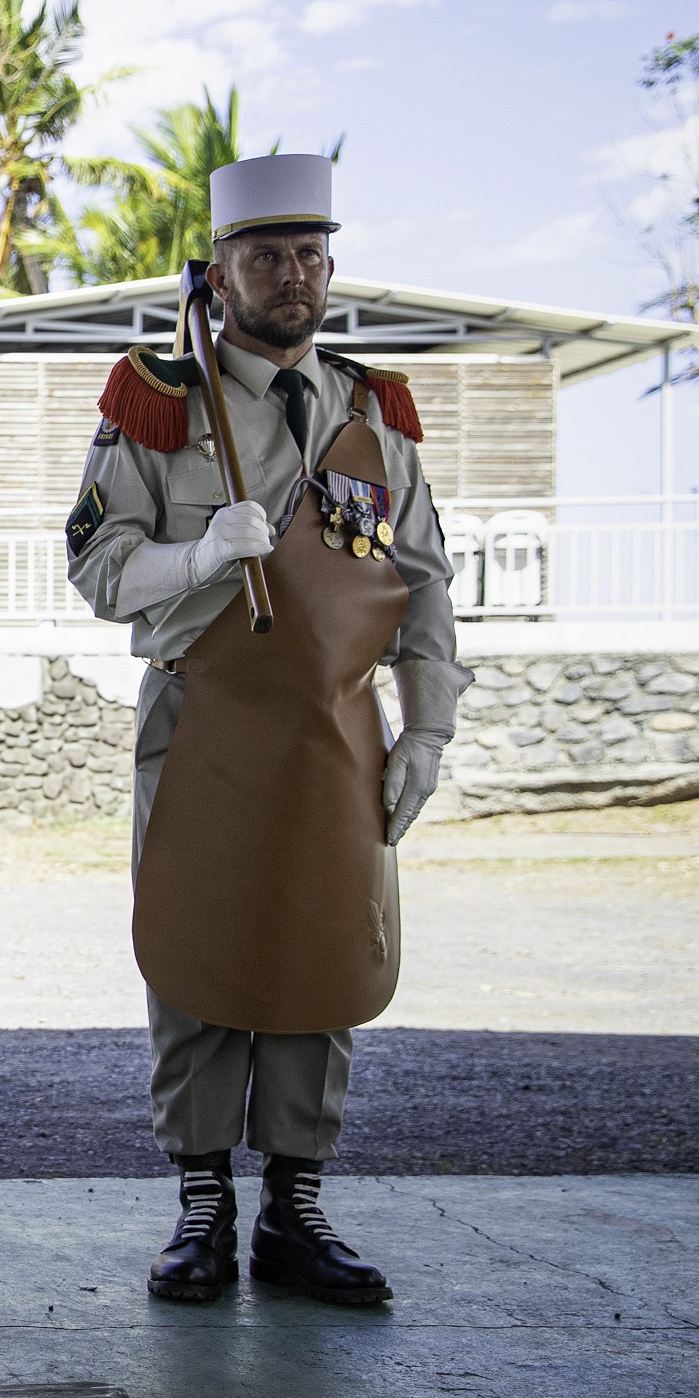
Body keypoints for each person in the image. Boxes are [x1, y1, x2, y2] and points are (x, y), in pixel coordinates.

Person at [65, 153, 470, 1307]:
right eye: (264, 257)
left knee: (323, 949)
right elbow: (95, 560)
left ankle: (297, 1206)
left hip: (338, 724)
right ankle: (203, 1202)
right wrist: (193, 556)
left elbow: (425, 585)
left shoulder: (370, 416)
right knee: (200, 943)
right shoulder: (158, 402)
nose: (291, 277)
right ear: (220, 271)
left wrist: (427, 732)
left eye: (310, 256)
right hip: (207, 712)